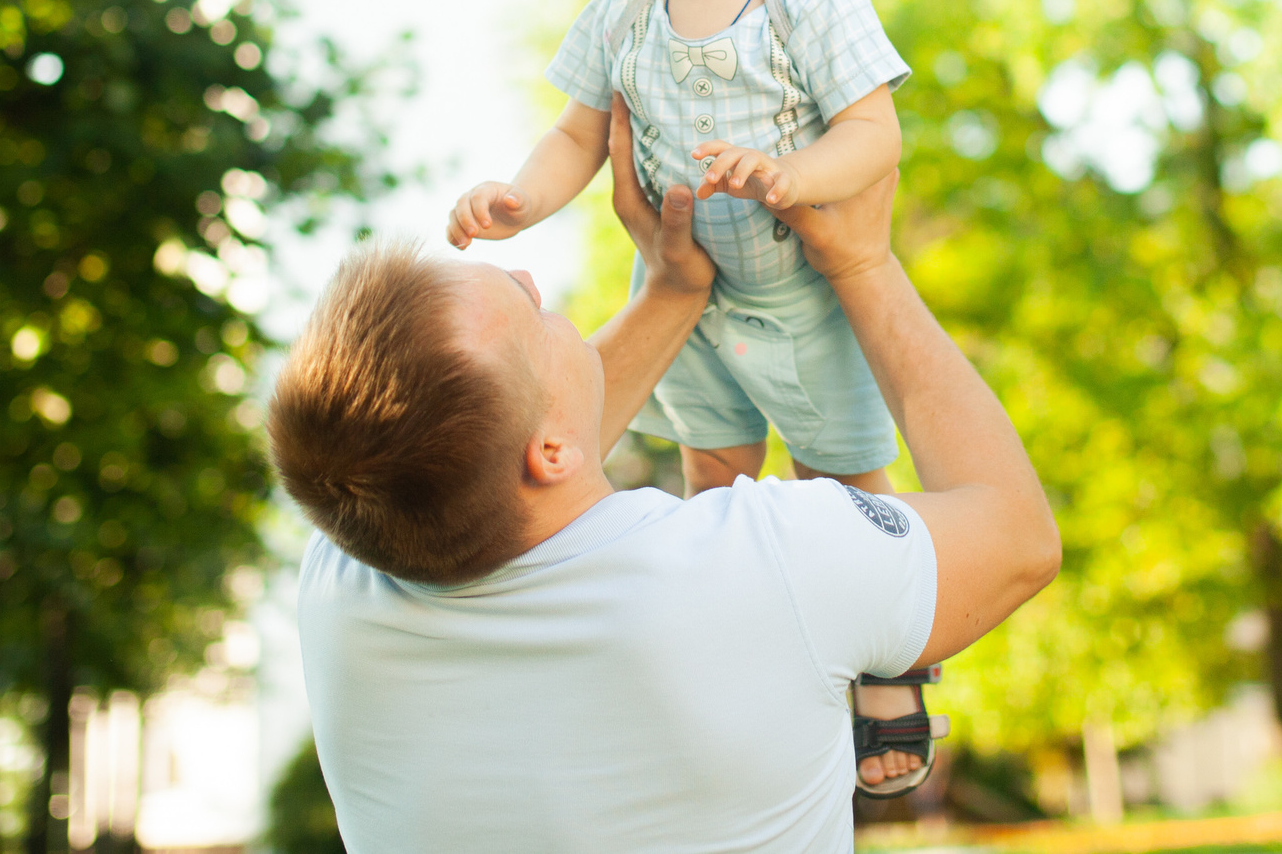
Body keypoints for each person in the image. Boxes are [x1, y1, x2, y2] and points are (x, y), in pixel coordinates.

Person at [272, 97, 1059, 850]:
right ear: (548, 453)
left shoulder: (345, 580)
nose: (531, 281)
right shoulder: (756, 566)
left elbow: (498, 448)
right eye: (526, 313)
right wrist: (862, 262)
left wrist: (676, 289)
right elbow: (1017, 534)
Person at [444, 0, 910, 502]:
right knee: (712, 479)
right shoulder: (624, 8)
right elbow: (577, 132)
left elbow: (874, 136)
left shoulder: (813, 0)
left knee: (846, 494)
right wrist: (523, 199)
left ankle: (868, 610)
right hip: (683, 297)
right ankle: (723, 603)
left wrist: (792, 173)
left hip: (803, 298)